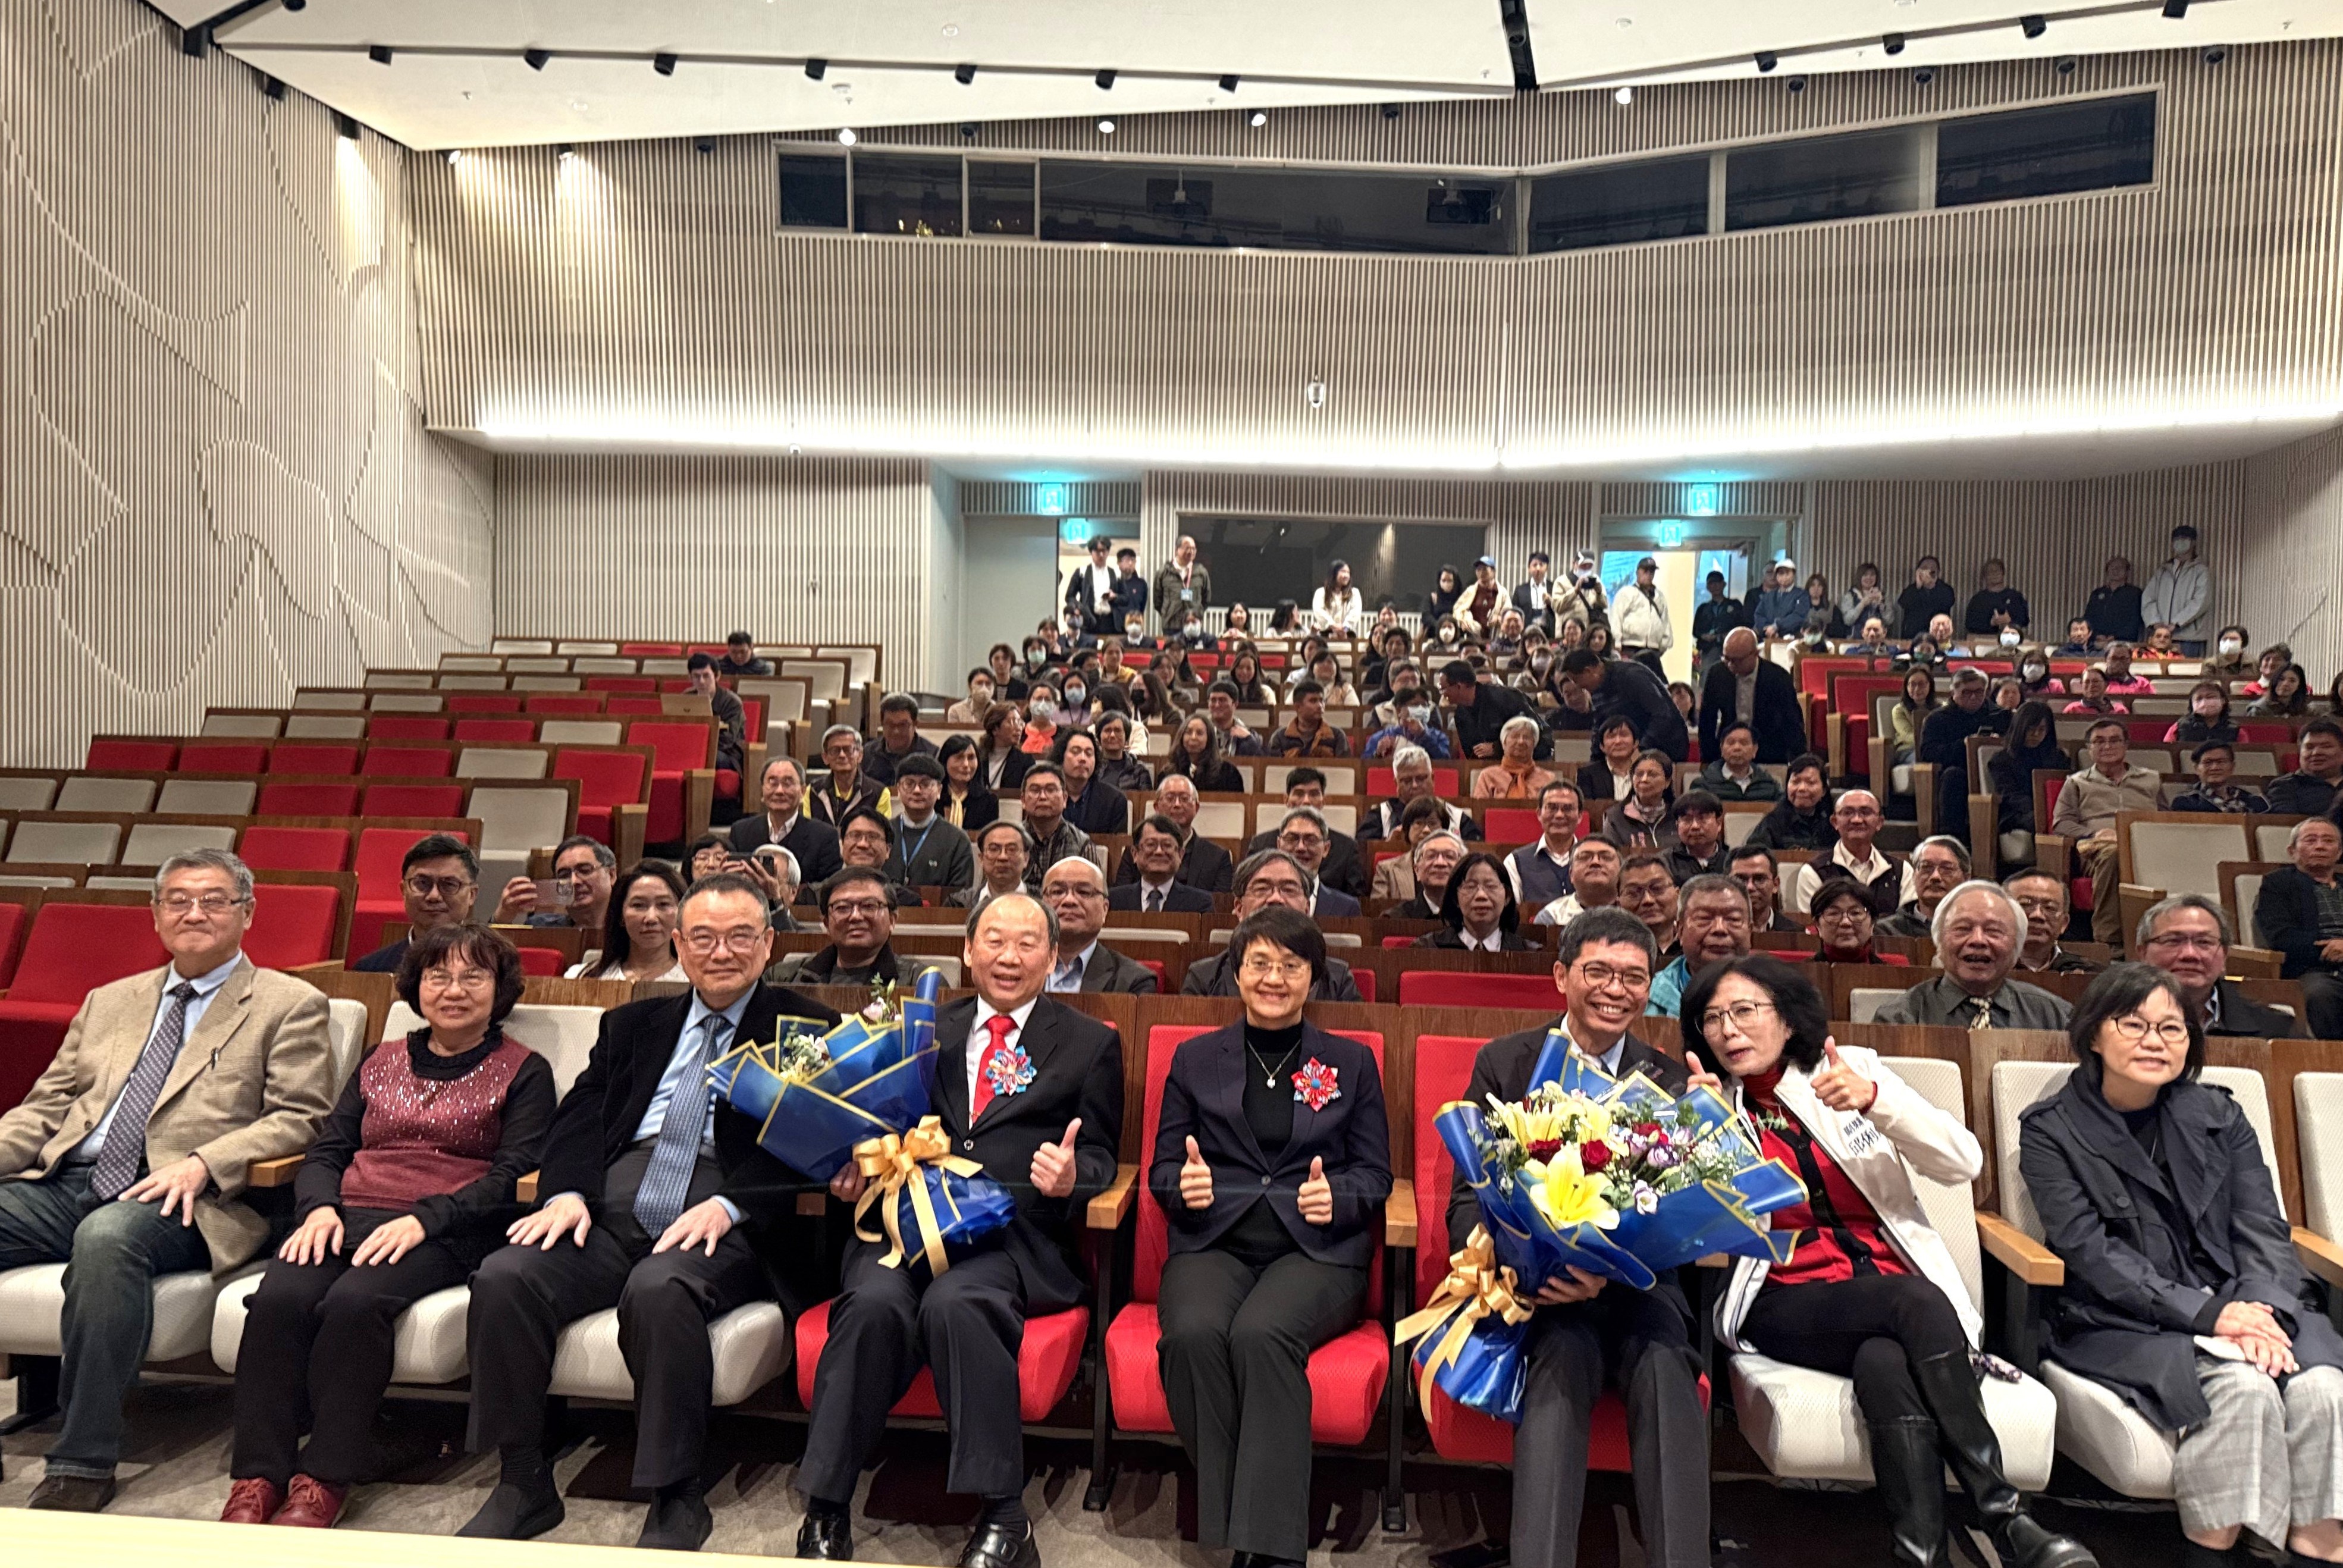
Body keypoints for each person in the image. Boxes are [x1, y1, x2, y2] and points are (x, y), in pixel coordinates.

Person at [462, 876, 836, 1547]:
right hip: (612, 1206)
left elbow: (815, 1143)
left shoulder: (807, 1026)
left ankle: (675, 1491)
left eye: (741, 935)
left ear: (770, 942)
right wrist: (567, 1192)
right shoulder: (635, 1022)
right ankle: (521, 1477)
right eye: (704, 937)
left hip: (726, 1214)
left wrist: (732, 1203)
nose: (722, 951)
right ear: (679, 945)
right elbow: (579, 1116)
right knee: (505, 1275)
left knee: (660, 1289)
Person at [1685, 957, 2095, 1568]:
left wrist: (1876, 1102)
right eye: (1712, 1018)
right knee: (1915, 1299)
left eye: (1744, 1011)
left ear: (1789, 1019)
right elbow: (1695, 1228)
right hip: (1781, 1298)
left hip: (1885, 1299)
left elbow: (1963, 1163)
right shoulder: (1708, 1103)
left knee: (1884, 1360)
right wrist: (1703, 1130)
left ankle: (1921, 1552)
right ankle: (2005, 1516)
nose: (1728, 1029)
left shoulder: (1855, 1073)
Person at [0, 851, 333, 1511]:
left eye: (213, 900)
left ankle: (83, 1457)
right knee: (91, 1219)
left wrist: (207, 1161)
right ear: (156, 915)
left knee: (108, 1235)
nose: (194, 913)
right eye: (178, 900)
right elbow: (44, 1107)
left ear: (247, 912)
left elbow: (301, 1116)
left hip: (189, 1195)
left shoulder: (289, 1002)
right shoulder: (109, 1001)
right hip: (68, 1179)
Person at [798, 894, 1119, 1568]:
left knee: (958, 1301)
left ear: (1054, 957)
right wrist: (848, 1164)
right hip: (901, 1224)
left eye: (1028, 943)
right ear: (967, 950)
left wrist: (1071, 1175)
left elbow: (1101, 1157)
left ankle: (1005, 1513)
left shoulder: (1090, 1042)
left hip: (1007, 1237)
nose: (1009, 956)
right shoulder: (919, 1031)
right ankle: (826, 1504)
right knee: (872, 1306)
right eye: (994, 940)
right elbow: (868, 1126)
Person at [224, 927, 553, 1528]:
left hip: (445, 1227)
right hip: (346, 1213)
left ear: (500, 989)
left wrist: (426, 1218)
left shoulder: (525, 1070)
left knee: (355, 1302)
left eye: (472, 976)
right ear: (415, 985)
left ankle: (323, 1476)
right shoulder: (380, 1057)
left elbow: (512, 1175)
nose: (453, 990)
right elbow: (329, 1147)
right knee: (278, 1298)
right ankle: (257, 1475)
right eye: (438, 975)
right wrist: (319, 1207)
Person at [2021, 964, 2342, 1567]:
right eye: (2134, 1023)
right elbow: (2091, 1252)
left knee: (2324, 1387)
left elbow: (2263, 1227)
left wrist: (2263, 1311)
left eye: (2172, 1027)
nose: (2155, 1039)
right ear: (2093, 1033)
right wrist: (2214, 1315)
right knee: (2242, 1389)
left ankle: (2316, 1550)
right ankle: (2212, 1552)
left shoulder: (2222, 1114)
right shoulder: (2052, 1130)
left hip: (2251, 1304)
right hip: (2127, 1320)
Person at [1448, 907, 1708, 1568]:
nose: (1615, 989)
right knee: (1559, 1366)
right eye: (1598, 971)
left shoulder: (1671, 1080)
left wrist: (1612, 1270)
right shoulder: (1506, 1062)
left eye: (1633, 976)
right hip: (1543, 1292)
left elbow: (1683, 1214)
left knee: (1665, 1365)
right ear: (1562, 974)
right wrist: (1520, 1266)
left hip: (1638, 1289)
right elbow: (1466, 1195)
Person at [1151, 907, 1390, 1568]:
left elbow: (1376, 1174)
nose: (1274, 977)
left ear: (1315, 976)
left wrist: (1338, 1195)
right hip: (1215, 1239)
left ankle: (1268, 1548)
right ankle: (1249, 1511)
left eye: (1291, 964)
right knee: (1194, 1335)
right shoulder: (1197, 1058)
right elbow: (1162, 1168)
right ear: (1235, 971)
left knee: (1261, 1334)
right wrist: (1182, 1186)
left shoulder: (1351, 1061)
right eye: (1260, 962)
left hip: (1315, 1250)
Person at [1874, 880, 2075, 1028]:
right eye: (1963, 928)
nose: (1977, 940)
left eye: (1993, 931)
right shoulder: (1899, 1018)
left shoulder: (2057, 1017)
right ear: (1939, 941)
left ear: (2016, 946)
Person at [1182, 853, 1366, 1000]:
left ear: (1307, 908)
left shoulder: (1338, 980)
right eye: (1262, 888)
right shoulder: (1204, 979)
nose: (1276, 899)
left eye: (1288, 889)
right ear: (1239, 908)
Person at [2052, 720, 2162, 950]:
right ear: (2089, 748)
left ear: (2126, 745)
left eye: (2114, 740)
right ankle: (2109, 942)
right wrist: (2094, 832)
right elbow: (2061, 823)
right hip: (2099, 851)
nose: (2107, 746)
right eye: (2099, 741)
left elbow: (2167, 816)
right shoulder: (2077, 782)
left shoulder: (2151, 779)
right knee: (2114, 854)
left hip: (2147, 845)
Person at [2134, 893, 2301, 1039]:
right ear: (2142, 953)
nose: (2190, 954)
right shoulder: (2111, 1021)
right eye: (2173, 941)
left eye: (2204, 942)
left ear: (2225, 956)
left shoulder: (2277, 1030)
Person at [2253, 817, 2343, 1040]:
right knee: (2320, 994)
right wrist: (2330, 950)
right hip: (2312, 970)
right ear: (2292, 851)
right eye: (2310, 840)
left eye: (2328, 841)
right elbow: (2281, 937)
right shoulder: (2278, 885)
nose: (2320, 846)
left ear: (2339, 852)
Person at [767, 866, 920, 987]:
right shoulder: (783, 978)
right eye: (842, 908)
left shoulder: (919, 982)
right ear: (826, 923)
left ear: (892, 920)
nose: (855, 916)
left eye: (869, 906)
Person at [351, 834, 479, 972]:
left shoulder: (494, 966)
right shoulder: (371, 970)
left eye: (449, 884)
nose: (434, 896)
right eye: (422, 883)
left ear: (472, 895)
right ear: (404, 891)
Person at [1034, 857, 1158, 995]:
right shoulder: (1016, 969)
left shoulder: (1133, 981)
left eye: (1084, 892)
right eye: (1057, 892)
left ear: (1105, 909)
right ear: (1042, 905)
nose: (1069, 900)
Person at [1918, 667, 2012, 839]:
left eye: (1979, 692)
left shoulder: (2002, 716)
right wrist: (1965, 744)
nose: (1974, 697)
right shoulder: (1937, 719)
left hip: (1995, 771)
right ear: (1953, 692)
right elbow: (1928, 753)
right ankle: (1952, 838)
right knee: (1954, 777)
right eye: (1966, 693)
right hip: (1956, 770)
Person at [1787, 789, 1912, 917]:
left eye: (1865, 812)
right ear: (1834, 822)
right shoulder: (1814, 871)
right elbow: (1814, 925)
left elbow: (1907, 926)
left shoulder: (1901, 870)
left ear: (1880, 822)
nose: (1857, 820)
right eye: (1848, 813)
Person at [1648, 873, 1754, 1017]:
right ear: (1680, 930)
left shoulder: (1777, 996)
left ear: (1750, 930)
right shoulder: (1646, 997)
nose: (1719, 929)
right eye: (1704, 918)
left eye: (1733, 919)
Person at [1696, 626, 1803, 766]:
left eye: (1737, 661)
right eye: (1727, 659)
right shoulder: (1718, 674)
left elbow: (1792, 722)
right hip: (1728, 750)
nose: (1730, 665)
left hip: (1768, 750)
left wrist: (1798, 761)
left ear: (1755, 654)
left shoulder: (1778, 678)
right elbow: (1707, 720)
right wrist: (1708, 759)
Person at [572, 861, 688, 981]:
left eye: (663, 904)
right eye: (638, 905)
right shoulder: (579, 977)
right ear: (621, 915)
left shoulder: (696, 983)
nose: (651, 918)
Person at [1118, 773, 1235, 893]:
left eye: (1185, 799)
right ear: (1156, 806)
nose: (1177, 805)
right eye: (1170, 798)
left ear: (1197, 807)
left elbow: (1218, 906)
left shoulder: (1218, 857)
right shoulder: (1136, 851)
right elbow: (1123, 899)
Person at [885, 754, 978, 892]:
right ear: (898, 789)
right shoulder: (883, 832)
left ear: (939, 790)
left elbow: (960, 897)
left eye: (925, 784)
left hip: (939, 913)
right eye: (909, 784)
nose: (917, 791)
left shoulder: (957, 839)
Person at [1412, 850, 1532, 951]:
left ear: (1508, 897)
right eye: (1470, 886)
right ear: (1455, 899)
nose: (1481, 895)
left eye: (1491, 886)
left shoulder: (1530, 955)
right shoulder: (1427, 949)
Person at [493, 835, 616, 931]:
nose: (574, 881)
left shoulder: (630, 930)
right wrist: (502, 917)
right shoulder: (540, 928)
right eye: (564, 876)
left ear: (611, 875)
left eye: (585, 871)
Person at [1365, 745, 1482, 841]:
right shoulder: (1379, 817)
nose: (1415, 785)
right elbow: (1365, 856)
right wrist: (1389, 846)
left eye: (1421, 779)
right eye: (1407, 781)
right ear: (1396, 784)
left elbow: (1474, 856)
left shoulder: (1458, 819)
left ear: (1433, 778)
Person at [1012, 762, 1093, 893]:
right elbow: (991, 892)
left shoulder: (1082, 843)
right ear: (1023, 800)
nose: (1043, 797)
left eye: (1051, 790)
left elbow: (1092, 894)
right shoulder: (1010, 840)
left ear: (1065, 799)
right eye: (1035, 790)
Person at [1438, 659, 1540, 764]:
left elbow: (1533, 734)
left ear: (1459, 686)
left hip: (1527, 763)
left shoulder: (1505, 698)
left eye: (1443, 689)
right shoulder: (1460, 715)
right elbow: (1472, 754)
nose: (1442, 694)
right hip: (1489, 770)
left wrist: (1496, 748)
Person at [2003, 868, 2101, 976]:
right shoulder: (1985, 969)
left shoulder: (2087, 975)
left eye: (2050, 907)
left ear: (2064, 923)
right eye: (2025, 905)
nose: (2038, 915)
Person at [1110, 815, 1217, 914]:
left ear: (1180, 854)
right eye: (1151, 844)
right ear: (1135, 854)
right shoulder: (1114, 901)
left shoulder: (1200, 903)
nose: (1159, 852)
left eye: (1167, 845)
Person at [1505, 779, 1584, 910]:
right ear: (1539, 814)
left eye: (1568, 808)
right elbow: (1511, 913)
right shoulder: (1516, 862)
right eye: (1552, 808)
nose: (1559, 815)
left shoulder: (1592, 860)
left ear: (1580, 816)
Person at [1270, 808, 1363, 917]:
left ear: (1326, 849)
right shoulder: (1262, 901)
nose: (1301, 848)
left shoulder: (1347, 908)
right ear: (1279, 845)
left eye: (1311, 840)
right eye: (1292, 838)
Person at [1878, 835, 1971, 942]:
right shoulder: (1887, 932)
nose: (1935, 877)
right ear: (1914, 876)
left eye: (1946, 869)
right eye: (1926, 867)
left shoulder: (1978, 931)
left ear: (1966, 878)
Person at [808, 725, 895, 830]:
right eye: (835, 750)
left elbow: (880, 835)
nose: (842, 755)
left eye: (848, 750)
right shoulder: (813, 791)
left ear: (860, 755)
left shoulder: (879, 793)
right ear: (825, 758)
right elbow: (807, 833)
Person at [2140, 525, 2211, 651]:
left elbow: (2200, 602)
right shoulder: (2163, 571)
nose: (2179, 542)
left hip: (2189, 638)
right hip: (2160, 637)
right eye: (2176, 539)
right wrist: (2155, 623)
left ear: (2193, 542)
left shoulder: (2201, 571)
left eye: (2184, 539)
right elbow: (2148, 598)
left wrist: (2177, 623)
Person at [1808, 877, 1909, 965]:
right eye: (1834, 914)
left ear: (1873, 923)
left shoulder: (1894, 975)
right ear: (1818, 925)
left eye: (1855, 913)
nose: (1846, 922)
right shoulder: (1800, 977)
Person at [1748, 754, 1836, 852]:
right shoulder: (1773, 822)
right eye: (1796, 782)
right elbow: (1753, 855)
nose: (1802, 788)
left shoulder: (1834, 823)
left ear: (1824, 790)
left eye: (1810, 783)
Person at [678, 656, 748, 778]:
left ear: (717, 676)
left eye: (706, 676)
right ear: (690, 677)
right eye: (696, 676)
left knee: (708, 757)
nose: (701, 681)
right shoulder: (686, 698)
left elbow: (728, 739)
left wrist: (700, 746)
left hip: (726, 753)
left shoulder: (732, 702)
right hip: (692, 748)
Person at [1598, 748, 1677, 852]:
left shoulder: (1679, 815)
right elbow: (1612, 856)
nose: (1644, 780)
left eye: (1652, 775)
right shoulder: (1615, 817)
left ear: (1667, 782)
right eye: (1639, 774)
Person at [1053, 731, 1130, 838]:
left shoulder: (1114, 800)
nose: (1083, 759)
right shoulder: (1048, 795)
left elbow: (1116, 847)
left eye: (1089, 754)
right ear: (1061, 757)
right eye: (1075, 752)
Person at [1534, 836, 1621, 926]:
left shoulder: (1633, 911)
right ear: (1571, 874)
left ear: (1621, 871)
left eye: (1606, 857)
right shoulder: (1551, 917)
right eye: (1584, 857)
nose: (1596, 862)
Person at [2265, 718, 2343, 817]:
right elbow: (2286, 824)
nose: (2316, 753)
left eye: (2326, 747)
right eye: (2309, 747)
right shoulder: (2284, 786)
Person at [1611, 556, 1674, 673]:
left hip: (1653, 650)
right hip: (1630, 647)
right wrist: (1617, 643)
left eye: (1652, 571)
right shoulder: (1626, 593)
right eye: (1645, 571)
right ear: (1638, 572)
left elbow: (1665, 622)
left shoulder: (1659, 597)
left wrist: (1664, 645)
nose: (1649, 574)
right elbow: (1616, 619)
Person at [2171, 741, 2271, 815]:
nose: (2215, 768)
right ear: (2197, 769)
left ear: (2232, 767)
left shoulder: (2255, 802)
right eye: (2208, 763)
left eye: (2221, 762)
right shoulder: (2185, 803)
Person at [1698, 720, 1784, 804]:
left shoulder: (1770, 785)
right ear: (1722, 749)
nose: (1737, 748)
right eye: (1731, 743)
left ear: (1755, 750)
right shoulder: (1704, 785)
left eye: (1744, 743)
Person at [1472, 714, 1555, 799]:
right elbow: (1479, 810)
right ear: (1504, 743)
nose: (1521, 742)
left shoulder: (1548, 779)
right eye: (1515, 737)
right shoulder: (1488, 776)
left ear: (1534, 744)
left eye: (1526, 737)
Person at [1617, 851, 1682, 960]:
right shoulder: (1608, 950)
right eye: (1634, 893)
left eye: (1657, 888)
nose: (1648, 900)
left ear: (1678, 895)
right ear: (1619, 904)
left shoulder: (1696, 945)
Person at [863, 694, 939, 788]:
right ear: (882, 724)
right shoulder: (867, 753)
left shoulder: (933, 754)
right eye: (890, 725)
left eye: (903, 725)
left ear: (915, 724)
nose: (896, 731)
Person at [957, 820, 1034, 912]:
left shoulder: (1043, 902)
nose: (1003, 857)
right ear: (981, 859)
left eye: (1012, 849)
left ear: (1026, 859)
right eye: (994, 849)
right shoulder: (959, 904)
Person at [1392, 831, 1467, 923]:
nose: (1440, 863)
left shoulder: (1476, 920)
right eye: (1431, 856)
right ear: (1417, 870)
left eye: (1449, 856)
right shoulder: (1395, 919)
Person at [1265, 679, 1349, 759]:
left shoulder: (1337, 735)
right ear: (1298, 707)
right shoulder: (1280, 737)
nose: (1320, 706)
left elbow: (1343, 770)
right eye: (1313, 701)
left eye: (1322, 701)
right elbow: (1275, 770)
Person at [934, 735, 1001, 836]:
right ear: (944, 761)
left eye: (971, 758)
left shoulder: (989, 802)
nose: (966, 764)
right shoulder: (933, 798)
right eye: (959, 758)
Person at [1661, 790, 1732, 883]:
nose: (1695, 826)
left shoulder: (1733, 861)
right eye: (1687, 820)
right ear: (1677, 825)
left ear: (1719, 824)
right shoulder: (1664, 863)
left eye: (1702, 819)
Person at [1729, 844, 1801, 934]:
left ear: (1776, 885)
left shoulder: (1796, 934)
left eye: (1760, 879)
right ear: (1727, 884)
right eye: (1740, 879)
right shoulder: (1716, 934)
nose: (1750, 887)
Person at [1691, 569, 1750, 672]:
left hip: (1732, 650)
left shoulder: (1735, 605)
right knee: (1708, 676)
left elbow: (1743, 626)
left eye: (1718, 583)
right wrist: (1704, 636)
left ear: (1724, 584)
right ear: (1707, 587)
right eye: (1711, 583)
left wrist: (1727, 635)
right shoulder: (1703, 608)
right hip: (1708, 650)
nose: (1715, 586)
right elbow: (1696, 631)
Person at [2083, 555, 2146, 648]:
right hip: (2096, 643)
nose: (2116, 570)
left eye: (2120, 568)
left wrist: (2116, 636)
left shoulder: (2135, 593)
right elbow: (2088, 618)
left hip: (2124, 643)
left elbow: (2136, 621)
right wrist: (2096, 635)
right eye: (2113, 568)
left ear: (2127, 572)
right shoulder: (2097, 593)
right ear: (2107, 571)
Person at [1065, 535, 1120, 636]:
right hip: (1088, 619)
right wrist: (1079, 608)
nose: (1101, 555)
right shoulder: (1082, 572)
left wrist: (1115, 597)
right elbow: (1069, 596)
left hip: (1110, 621)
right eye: (1097, 551)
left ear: (1108, 552)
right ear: (1091, 552)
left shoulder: (1115, 573)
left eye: (1104, 551)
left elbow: (1125, 598)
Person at [1964, 557, 2030, 636]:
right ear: (1985, 576)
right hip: (1983, 642)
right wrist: (1991, 623)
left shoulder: (2016, 597)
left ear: (2003, 573)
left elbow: (2025, 620)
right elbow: (1970, 624)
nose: (1995, 573)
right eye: (1991, 571)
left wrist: (2010, 621)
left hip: (2012, 639)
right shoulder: (1977, 600)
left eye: (1998, 570)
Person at [1891, 556, 1953, 641]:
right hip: (1913, 636)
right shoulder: (1912, 589)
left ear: (1938, 572)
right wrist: (1918, 587)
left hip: (1939, 636)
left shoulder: (1945, 589)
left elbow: (1949, 602)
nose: (1929, 571)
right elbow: (1903, 603)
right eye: (1925, 568)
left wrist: (1932, 586)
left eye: (1932, 569)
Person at [1887, 667, 1939, 768]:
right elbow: (1907, 735)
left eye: (1922, 684)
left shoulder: (1940, 709)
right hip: (1909, 750)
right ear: (1906, 687)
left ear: (1930, 685)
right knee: (1925, 759)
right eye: (1913, 684)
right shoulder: (1899, 710)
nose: (1917, 689)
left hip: (1934, 748)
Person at [1156, 535, 1212, 624]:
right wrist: (1167, 613)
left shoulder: (1201, 572)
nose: (1191, 552)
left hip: (1193, 623)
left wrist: (1198, 613)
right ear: (1177, 550)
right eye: (1187, 548)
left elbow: (1206, 599)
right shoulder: (1164, 572)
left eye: (1194, 549)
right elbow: (1158, 601)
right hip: (1171, 624)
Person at [2166, 681, 2240, 747]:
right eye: (2199, 699)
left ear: (2223, 701)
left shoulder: (2236, 729)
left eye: (2210, 697)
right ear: (2192, 704)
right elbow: (2169, 749)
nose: (2204, 702)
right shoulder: (2179, 727)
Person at [1307, 559, 1365, 635]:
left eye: (1348, 573)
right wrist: (1332, 625)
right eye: (1343, 572)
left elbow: (1355, 614)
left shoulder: (1354, 593)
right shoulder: (1321, 592)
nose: (1347, 576)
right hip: (1326, 634)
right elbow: (1319, 611)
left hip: (1347, 634)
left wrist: (1344, 629)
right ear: (1334, 573)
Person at [1839, 562, 1888, 638]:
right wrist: (1863, 604)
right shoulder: (1850, 596)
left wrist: (1881, 604)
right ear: (1859, 577)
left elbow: (1889, 621)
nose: (1869, 578)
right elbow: (1848, 621)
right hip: (1854, 640)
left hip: (1877, 640)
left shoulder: (1883, 596)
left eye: (1872, 575)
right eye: (1865, 575)